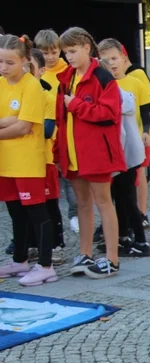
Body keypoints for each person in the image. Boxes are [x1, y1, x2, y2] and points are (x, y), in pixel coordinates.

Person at [54, 27, 126, 278]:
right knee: (83, 203)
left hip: (96, 152)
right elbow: (60, 119)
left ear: (86, 47)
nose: (68, 57)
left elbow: (108, 114)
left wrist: (75, 105)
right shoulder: (66, 78)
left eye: (72, 51)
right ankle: (85, 253)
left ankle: (112, 259)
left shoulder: (103, 77)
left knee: (104, 202)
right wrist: (58, 151)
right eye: (65, 53)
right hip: (73, 153)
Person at [0, 34, 57, 286]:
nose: (3, 68)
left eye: (9, 63)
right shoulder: (1, 84)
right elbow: (13, 120)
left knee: (36, 212)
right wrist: (12, 119)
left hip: (28, 161)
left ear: (24, 61)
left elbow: (24, 127)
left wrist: (14, 120)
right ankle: (20, 260)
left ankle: (46, 265)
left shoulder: (32, 86)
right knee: (15, 212)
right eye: (0, 62)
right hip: (6, 161)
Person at [97, 49, 150, 258]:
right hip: (127, 154)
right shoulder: (118, 93)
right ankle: (123, 237)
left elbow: (120, 133)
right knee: (120, 196)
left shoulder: (118, 95)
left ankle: (140, 241)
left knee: (126, 198)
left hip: (127, 155)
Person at [35, 28, 77, 234]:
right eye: (45, 53)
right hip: (45, 139)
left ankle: (75, 214)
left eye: (54, 52)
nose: (51, 57)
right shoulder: (37, 73)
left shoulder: (68, 71)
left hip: (62, 131)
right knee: (50, 186)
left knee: (69, 178)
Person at [30, 48, 66, 266]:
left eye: (30, 67)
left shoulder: (48, 97)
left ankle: (55, 246)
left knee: (49, 205)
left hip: (44, 161)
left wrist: (20, 123)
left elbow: (46, 129)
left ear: (41, 70)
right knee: (28, 207)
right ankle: (32, 244)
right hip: (23, 162)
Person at [123, 47, 150, 228]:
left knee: (139, 174)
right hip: (129, 133)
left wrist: (144, 130)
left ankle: (142, 213)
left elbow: (147, 105)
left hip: (140, 132)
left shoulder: (137, 74)